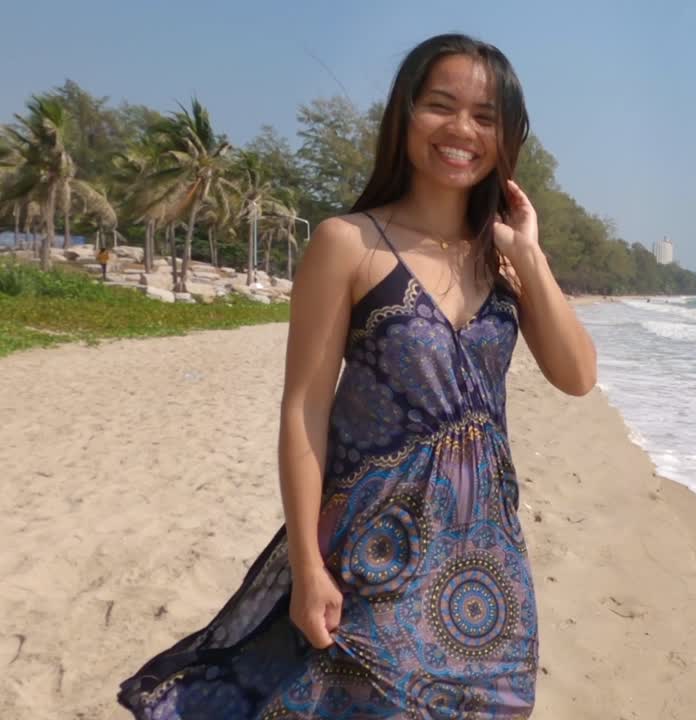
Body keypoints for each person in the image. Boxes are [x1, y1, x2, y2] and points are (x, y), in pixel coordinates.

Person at [118, 33, 597, 719]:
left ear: (506, 136)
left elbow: (577, 376)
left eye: (486, 116)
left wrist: (530, 255)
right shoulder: (349, 243)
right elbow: (303, 410)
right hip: (370, 551)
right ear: (404, 115)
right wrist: (308, 566)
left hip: (486, 565)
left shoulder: (507, 261)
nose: (462, 129)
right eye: (441, 105)